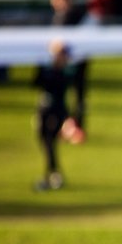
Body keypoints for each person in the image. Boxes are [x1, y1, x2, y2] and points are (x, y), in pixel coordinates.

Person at [33, 40, 75, 191]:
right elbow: (36, 82)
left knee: (50, 141)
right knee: (45, 141)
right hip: (44, 109)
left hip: (57, 110)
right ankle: (53, 173)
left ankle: (53, 175)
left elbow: (61, 88)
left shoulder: (65, 71)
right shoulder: (48, 69)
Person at [49, 0, 89, 142]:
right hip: (62, 62)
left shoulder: (76, 15)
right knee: (61, 95)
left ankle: (76, 128)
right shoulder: (58, 16)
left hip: (76, 61)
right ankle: (65, 126)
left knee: (78, 94)